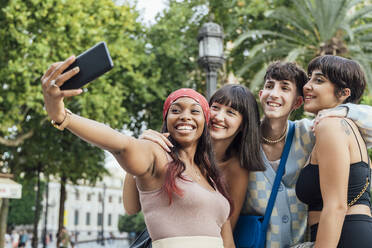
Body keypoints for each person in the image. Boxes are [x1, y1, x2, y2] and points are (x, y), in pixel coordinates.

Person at [127, 61, 372, 247]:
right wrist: (144, 147)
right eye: (269, 86)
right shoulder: (241, 144)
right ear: (260, 95)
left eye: (284, 88)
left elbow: (364, 128)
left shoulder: (312, 133)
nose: (274, 93)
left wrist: (345, 110)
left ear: (297, 102)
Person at [41, 56, 234, 248]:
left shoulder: (212, 175)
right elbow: (120, 144)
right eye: (176, 110)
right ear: (166, 120)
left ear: (205, 122)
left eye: (194, 111)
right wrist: (62, 116)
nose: (185, 116)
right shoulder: (157, 155)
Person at [123, 84, 266, 228]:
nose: (218, 116)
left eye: (230, 112)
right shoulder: (168, 150)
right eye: (215, 107)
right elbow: (131, 208)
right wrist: (139, 150)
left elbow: (225, 227)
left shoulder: (235, 169)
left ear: (243, 125)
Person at [295, 55, 372, 247]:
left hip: (342, 235)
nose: (307, 86)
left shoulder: (331, 126)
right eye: (309, 78)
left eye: (319, 80)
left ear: (343, 93)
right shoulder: (351, 127)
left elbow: (336, 206)